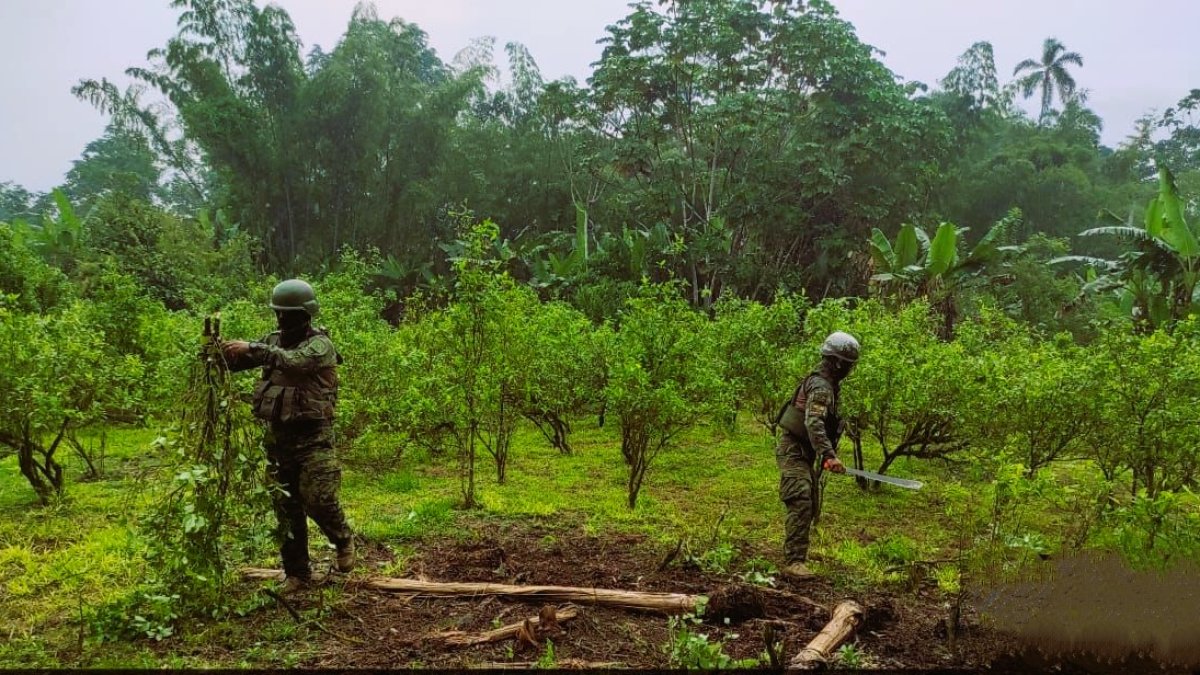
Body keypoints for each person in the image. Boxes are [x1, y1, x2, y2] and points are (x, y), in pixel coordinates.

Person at [222, 279, 355, 593]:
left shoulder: (320, 345)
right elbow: (240, 361)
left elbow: (295, 363)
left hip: (314, 438)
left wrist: (253, 348)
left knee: (319, 499)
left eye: (289, 314)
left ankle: (343, 539)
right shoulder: (273, 341)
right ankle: (297, 572)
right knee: (286, 507)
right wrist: (220, 353)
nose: (282, 320)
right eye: (279, 313)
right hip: (279, 439)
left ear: (305, 315)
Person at [773, 331, 859, 579]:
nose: (850, 371)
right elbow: (813, 423)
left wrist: (824, 455)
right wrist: (829, 455)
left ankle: (797, 557)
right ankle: (793, 562)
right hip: (794, 449)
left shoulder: (826, 384)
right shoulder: (821, 386)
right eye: (849, 366)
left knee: (808, 500)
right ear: (839, 362)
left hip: (804, 449)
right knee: (800, 497)